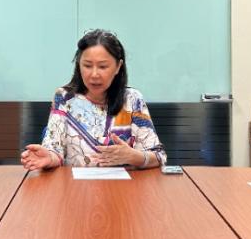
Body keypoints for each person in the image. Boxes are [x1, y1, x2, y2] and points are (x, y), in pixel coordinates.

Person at [21, 29, 166, 170]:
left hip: (124, 185)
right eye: (87, 65)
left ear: (118, 67)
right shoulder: (64, 97)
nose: (94, 74)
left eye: (103, 66)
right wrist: (49, 157)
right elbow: (54, 148)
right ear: (78, 64)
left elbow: (158, 156)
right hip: (74, 184)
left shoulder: (132, 99)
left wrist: (133, 157)